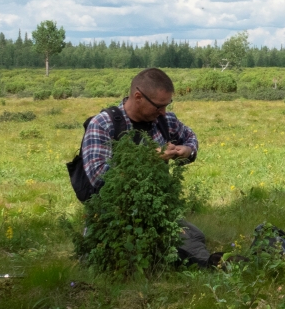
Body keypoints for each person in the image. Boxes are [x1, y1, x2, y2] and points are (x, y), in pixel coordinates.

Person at [74, 68, 217, 268]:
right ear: (138, 96)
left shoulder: (166, 121)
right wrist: (150, 158)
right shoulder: (103, 125)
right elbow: (100, 178)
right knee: (128, 256)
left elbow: (190, 137)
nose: (163, 112)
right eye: (159, 106)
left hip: (157, 213)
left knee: (194, 238)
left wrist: (187, 150)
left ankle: (203, 264)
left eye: (167, 105)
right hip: (114, 217)